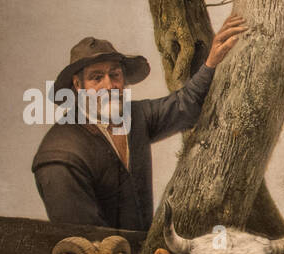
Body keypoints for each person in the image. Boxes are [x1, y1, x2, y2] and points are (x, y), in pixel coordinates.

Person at [32, 15, 246, 231]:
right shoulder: (59, 155)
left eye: (115, 75)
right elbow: (83, 240)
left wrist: (210, 63)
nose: (110, 86)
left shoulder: (135, 115)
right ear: (78, 85)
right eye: (97, 78)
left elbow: (184, 105)